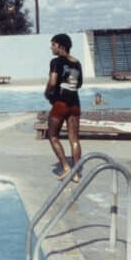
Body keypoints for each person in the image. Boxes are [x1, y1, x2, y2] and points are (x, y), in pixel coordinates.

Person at [44, 33, 83, 180]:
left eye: (53, 44)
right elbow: (79, 84)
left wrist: (47, 92)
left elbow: (53, 81)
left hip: (60, 104)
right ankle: (77, 173)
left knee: (53, 136)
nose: (51, 47)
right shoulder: (77, 63)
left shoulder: (56, 62)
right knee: (74, 139)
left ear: (61, 46)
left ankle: (66, 167)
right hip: (75, 104)